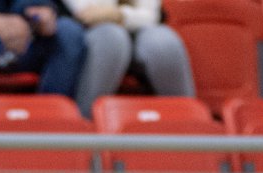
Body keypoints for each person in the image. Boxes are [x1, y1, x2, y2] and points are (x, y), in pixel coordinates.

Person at [61, 0, 194, 115]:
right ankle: (84, 125)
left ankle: (189, 124)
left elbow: (151, 16)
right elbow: (87, 13)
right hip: (87, 32)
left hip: (138, 29)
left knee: (164, 42)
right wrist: (122, 15)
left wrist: (119, 14)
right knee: (112, 38)